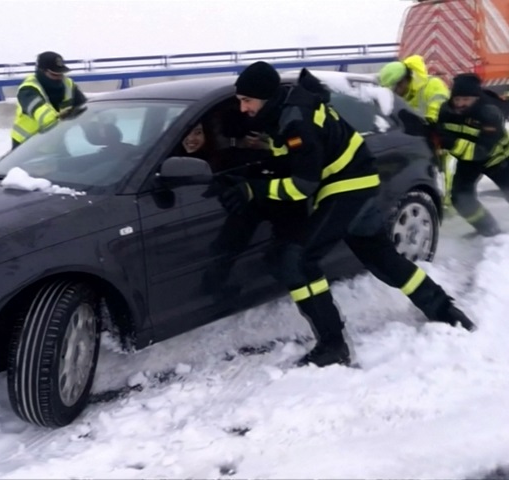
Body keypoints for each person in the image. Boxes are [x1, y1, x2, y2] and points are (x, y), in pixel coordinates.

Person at [213, 61, 476, 368]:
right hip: (359, 184)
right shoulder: (288, 110)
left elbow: (302, 184)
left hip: (346, 188)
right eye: (241, 101)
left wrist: (252, 190)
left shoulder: (295, 121)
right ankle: (445, 310)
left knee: (296, 260)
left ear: (265, 97)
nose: (243, 108)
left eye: (247, 101)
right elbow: (298, 159)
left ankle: (332, 345)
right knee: (382, 259)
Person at [436, 73, 509, 237]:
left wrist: (451, 143)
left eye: (466, 100)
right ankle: (489, 230)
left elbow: (481, 152)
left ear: (476, 98)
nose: (461, 104)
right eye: (457, 99)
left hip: (499, 159)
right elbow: (440, 132)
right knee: (460, 198)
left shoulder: (489, 112)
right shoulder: (445, 110)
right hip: (467, 161)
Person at [378, 55, 453, 207]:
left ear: (404, 80)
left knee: (444, 173)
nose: (395, 92)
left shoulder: (433, 86)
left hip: (441, 137)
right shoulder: (404, 93)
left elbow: (438, 115)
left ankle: (446, 206)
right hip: (421, 138)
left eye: (395, 88)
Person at [10, 51, 87, 149]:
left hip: (54, 142)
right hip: (26, 147)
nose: (60, 78)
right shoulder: (28, 90)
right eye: (54, 74)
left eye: (61, 73)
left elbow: (86, 109)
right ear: (41, 72)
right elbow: (46, 118)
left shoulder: (68, 85)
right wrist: (65, 116)